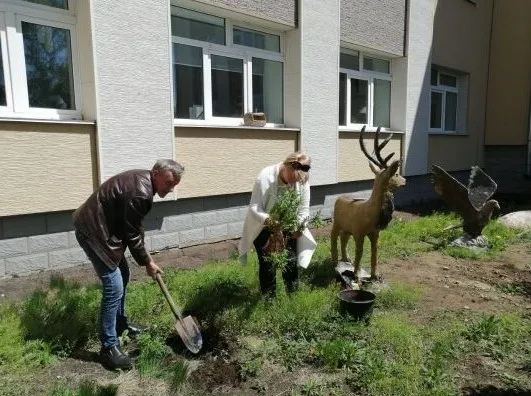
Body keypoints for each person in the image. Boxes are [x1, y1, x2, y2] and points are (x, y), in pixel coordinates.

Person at [73, 159, 184, 369]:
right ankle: (108, 347)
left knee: (123, 273)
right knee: (113, 286)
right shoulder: (141, 191)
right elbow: (132, 234)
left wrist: (146, 257)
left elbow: (133, 225)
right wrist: (147, 262)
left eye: (174, 186)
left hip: (104, 230)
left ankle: (120, 324)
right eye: (168, 183)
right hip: (93, 232)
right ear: (156, 173)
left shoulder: (144, 183)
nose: (170, 189)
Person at [238, 152, 317, 297]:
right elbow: (254, 207)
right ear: (285, 166)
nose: (294, 184)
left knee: (290, 262)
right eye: (291, 179)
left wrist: (298, 227)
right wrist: (269, 221)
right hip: (264, 226)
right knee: (268, 265)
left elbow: (304, 210)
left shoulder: (302, 179)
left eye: (297, 181)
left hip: (288, 226)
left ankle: (293, 297)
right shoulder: (265, 177)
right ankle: (269, 300)